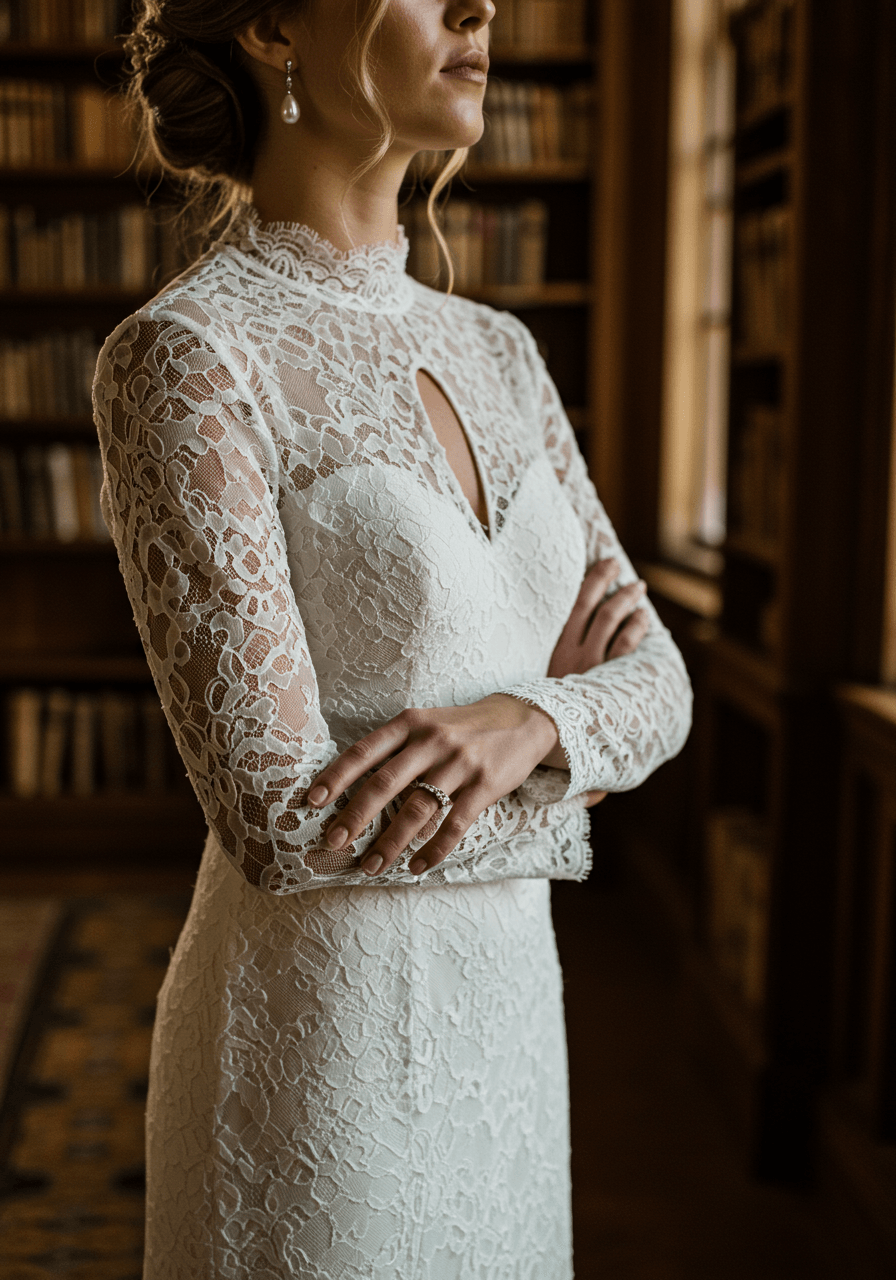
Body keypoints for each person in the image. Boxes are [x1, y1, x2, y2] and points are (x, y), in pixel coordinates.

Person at [93, 1, 693, 1275]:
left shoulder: (504, 352)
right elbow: (279, 820)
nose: (480, 6)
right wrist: (578, 777)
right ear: (269, 26)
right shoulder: (186, 359)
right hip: (323, 1046)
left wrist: (534, 721)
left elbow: (662, 682)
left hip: (512, 1029)